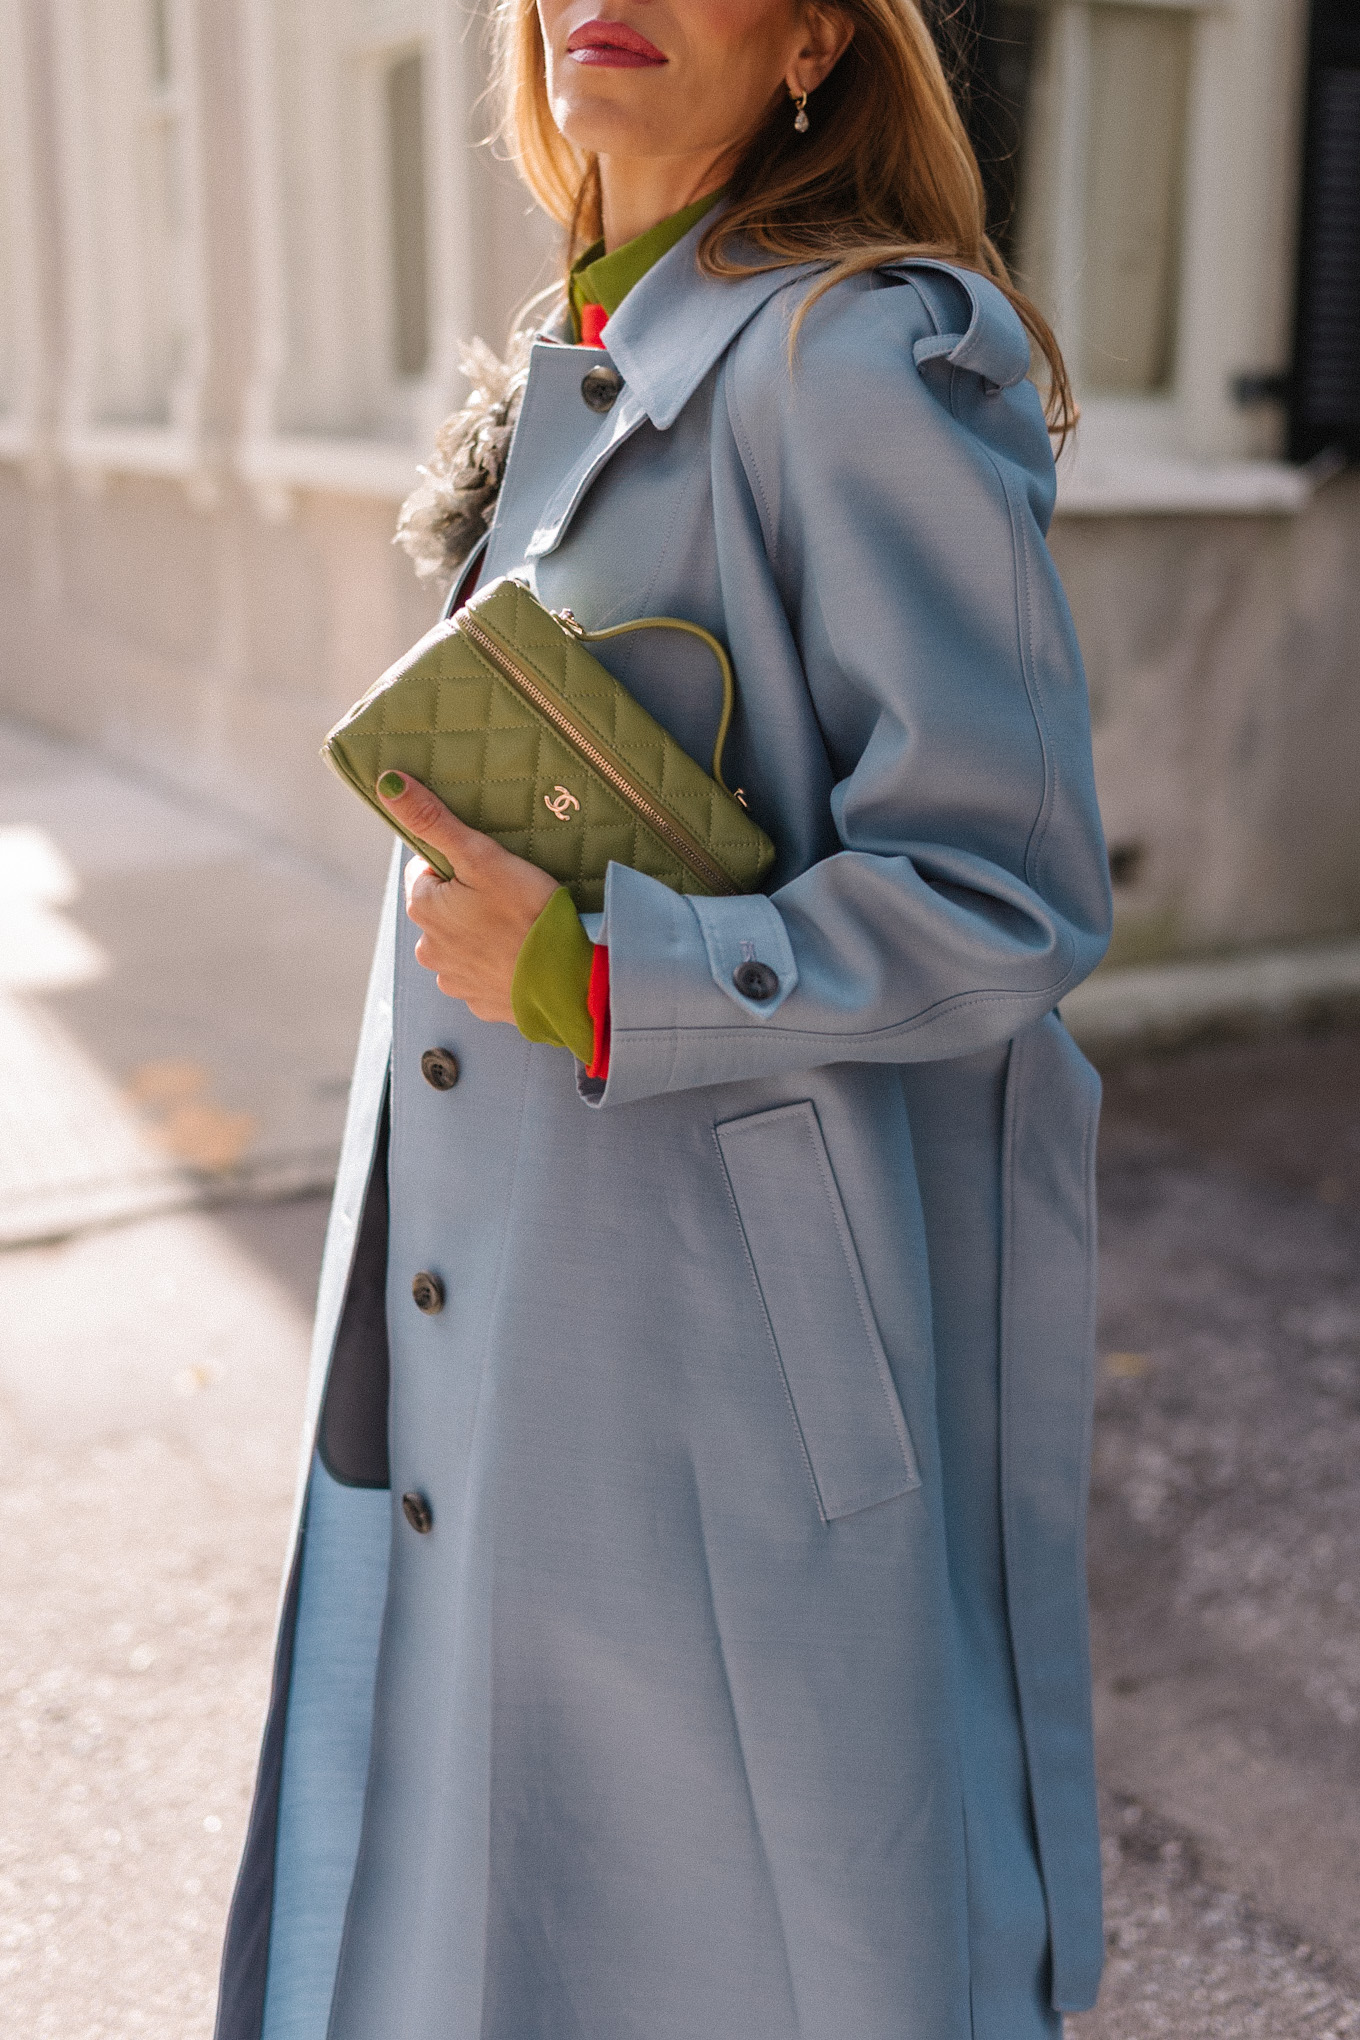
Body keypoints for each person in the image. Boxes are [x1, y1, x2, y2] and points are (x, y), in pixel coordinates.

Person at [216, 3, 1113, 2037]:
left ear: (813, 41)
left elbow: (1006, 894)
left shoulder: (854, 358)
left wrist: (608, 976)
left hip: (708, 1386)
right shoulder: (590, 349)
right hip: (504, 1345)